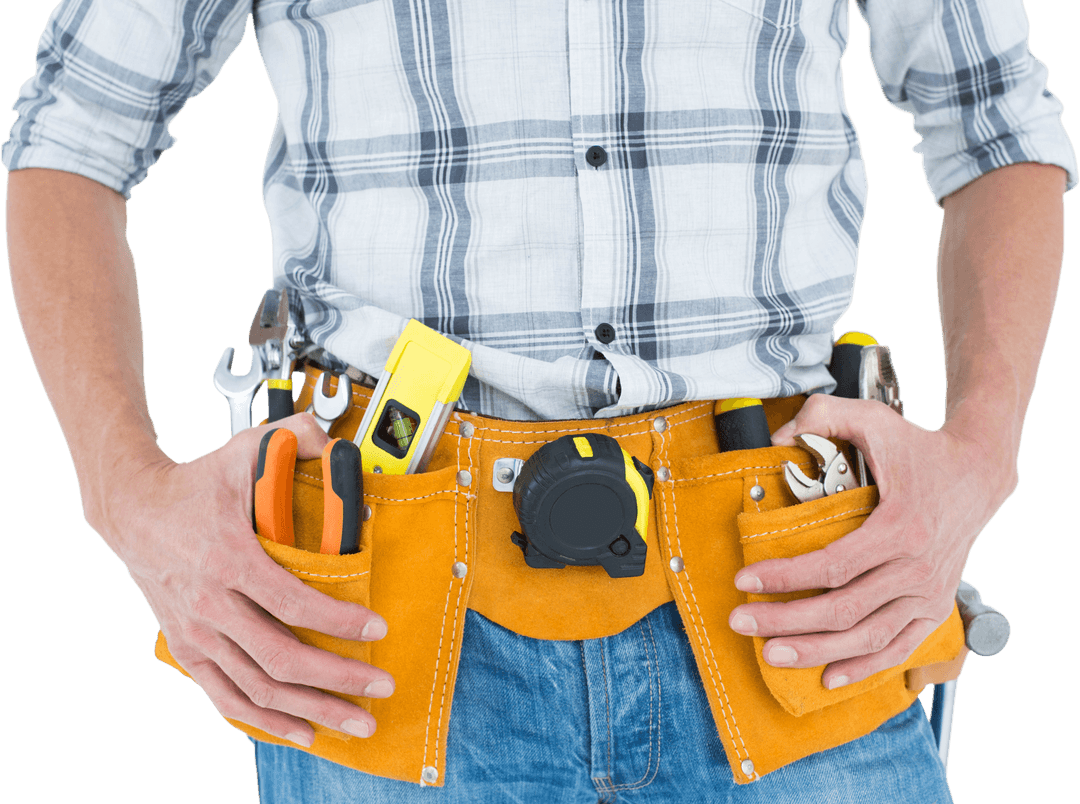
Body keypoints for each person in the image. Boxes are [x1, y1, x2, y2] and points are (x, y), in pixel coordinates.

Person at [3, 0, 1074, 801]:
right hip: (381, 623)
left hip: (798, 599)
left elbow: (995, 122)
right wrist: (128, 500)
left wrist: (981, 457)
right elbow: (69, 138)